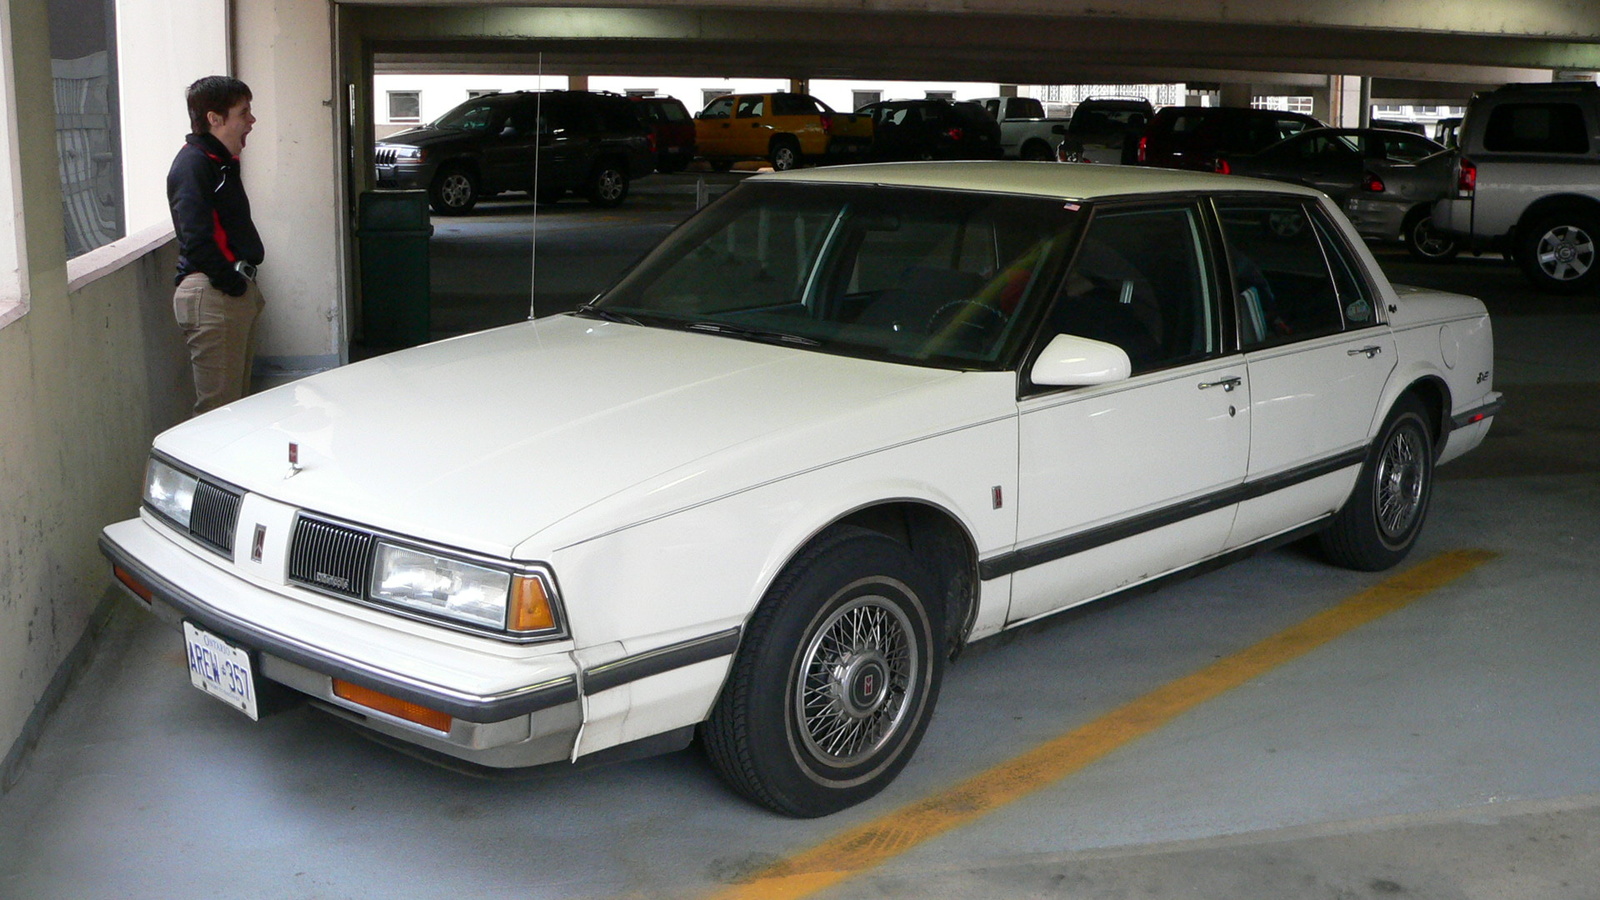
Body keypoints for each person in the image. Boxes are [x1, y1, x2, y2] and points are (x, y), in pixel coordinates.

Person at [167, 75, 264, 416]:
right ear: (214, 118)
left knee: (232, 409)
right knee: (217, 415)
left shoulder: (218, 161)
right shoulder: (194, 163)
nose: (251, 120)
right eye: (244, 112)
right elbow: (196, 238)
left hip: (228, 292)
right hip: (213, 295)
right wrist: (232, 284)